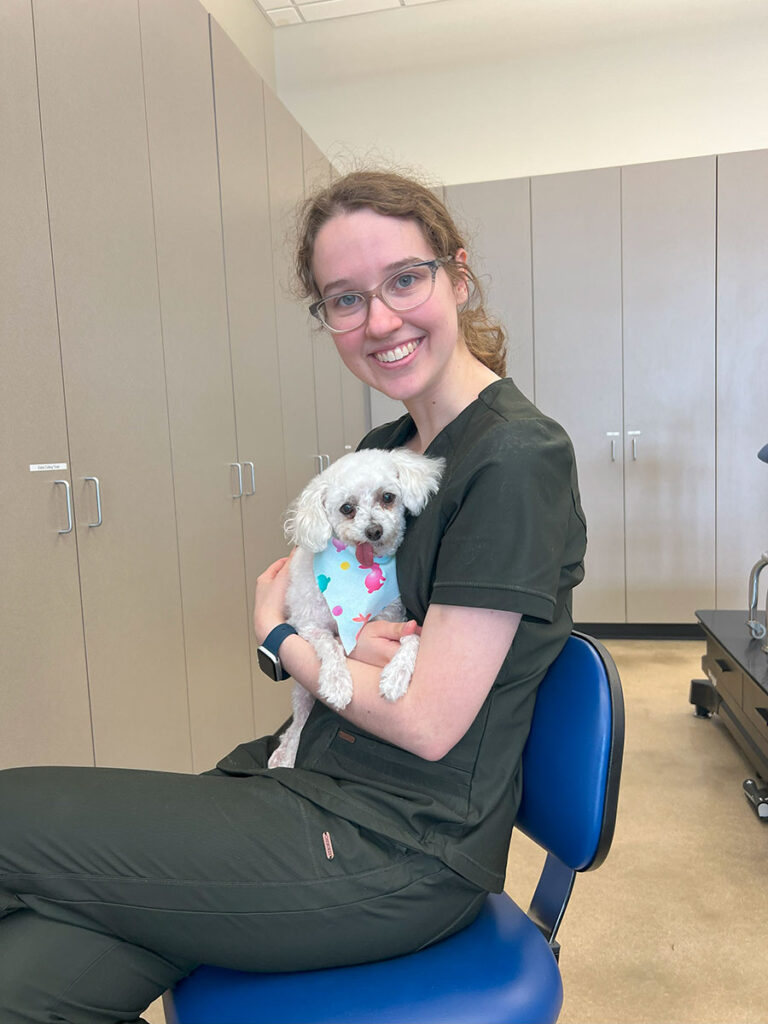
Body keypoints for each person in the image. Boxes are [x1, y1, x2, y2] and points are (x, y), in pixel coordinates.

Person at [0, 169, 586, 1023]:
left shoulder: (514, 461)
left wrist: (284, 642)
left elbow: (421, 718)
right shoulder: (386, 445)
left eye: (404, 280)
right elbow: (316, 593)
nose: (378, 319)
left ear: (458, 276)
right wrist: (338, 652)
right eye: (344, 299)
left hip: (394, 849)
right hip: (305, 788)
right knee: (28, 980)